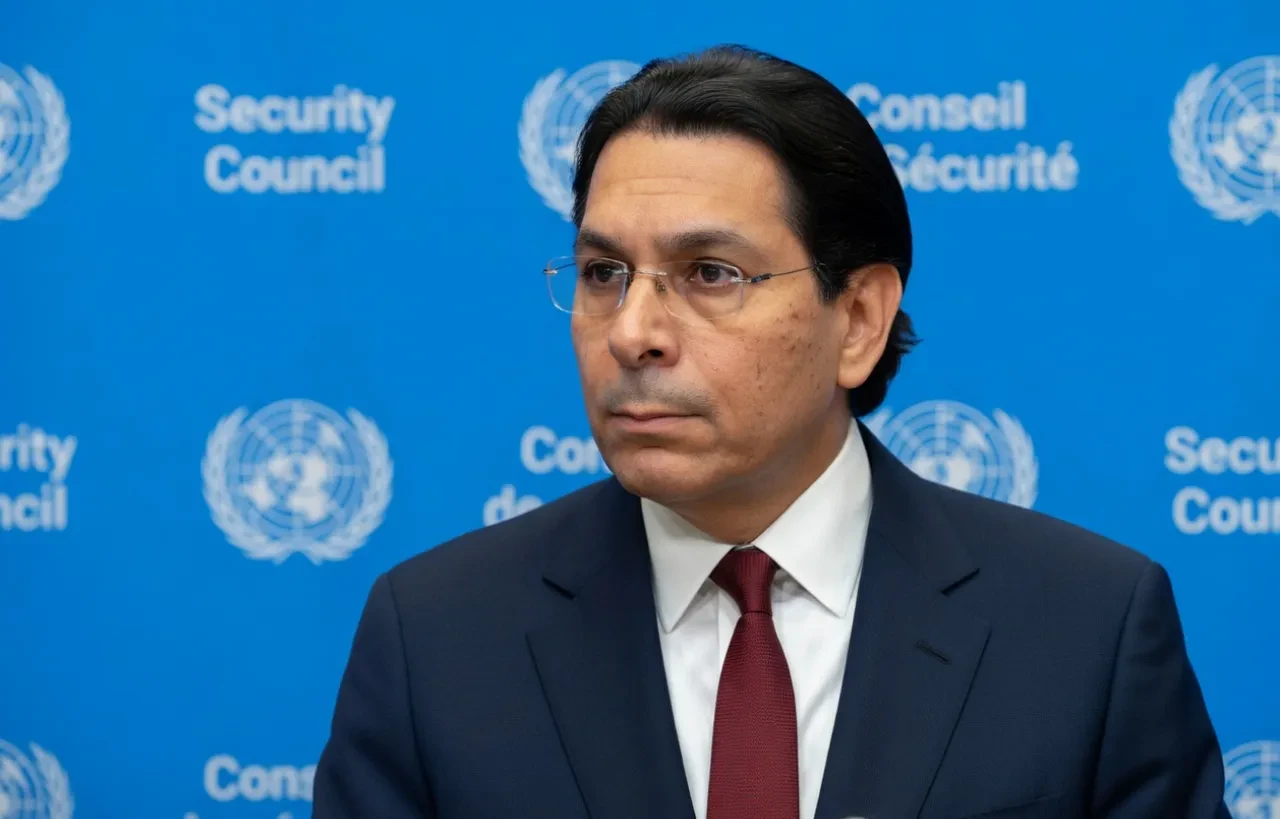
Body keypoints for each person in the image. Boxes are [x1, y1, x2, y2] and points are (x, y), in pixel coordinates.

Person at [312, 45, 1230, 819]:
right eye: (603, 273)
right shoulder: (435, 640)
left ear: (859, 320)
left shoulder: (1088, 630)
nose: (632, 332)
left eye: (710, 272)